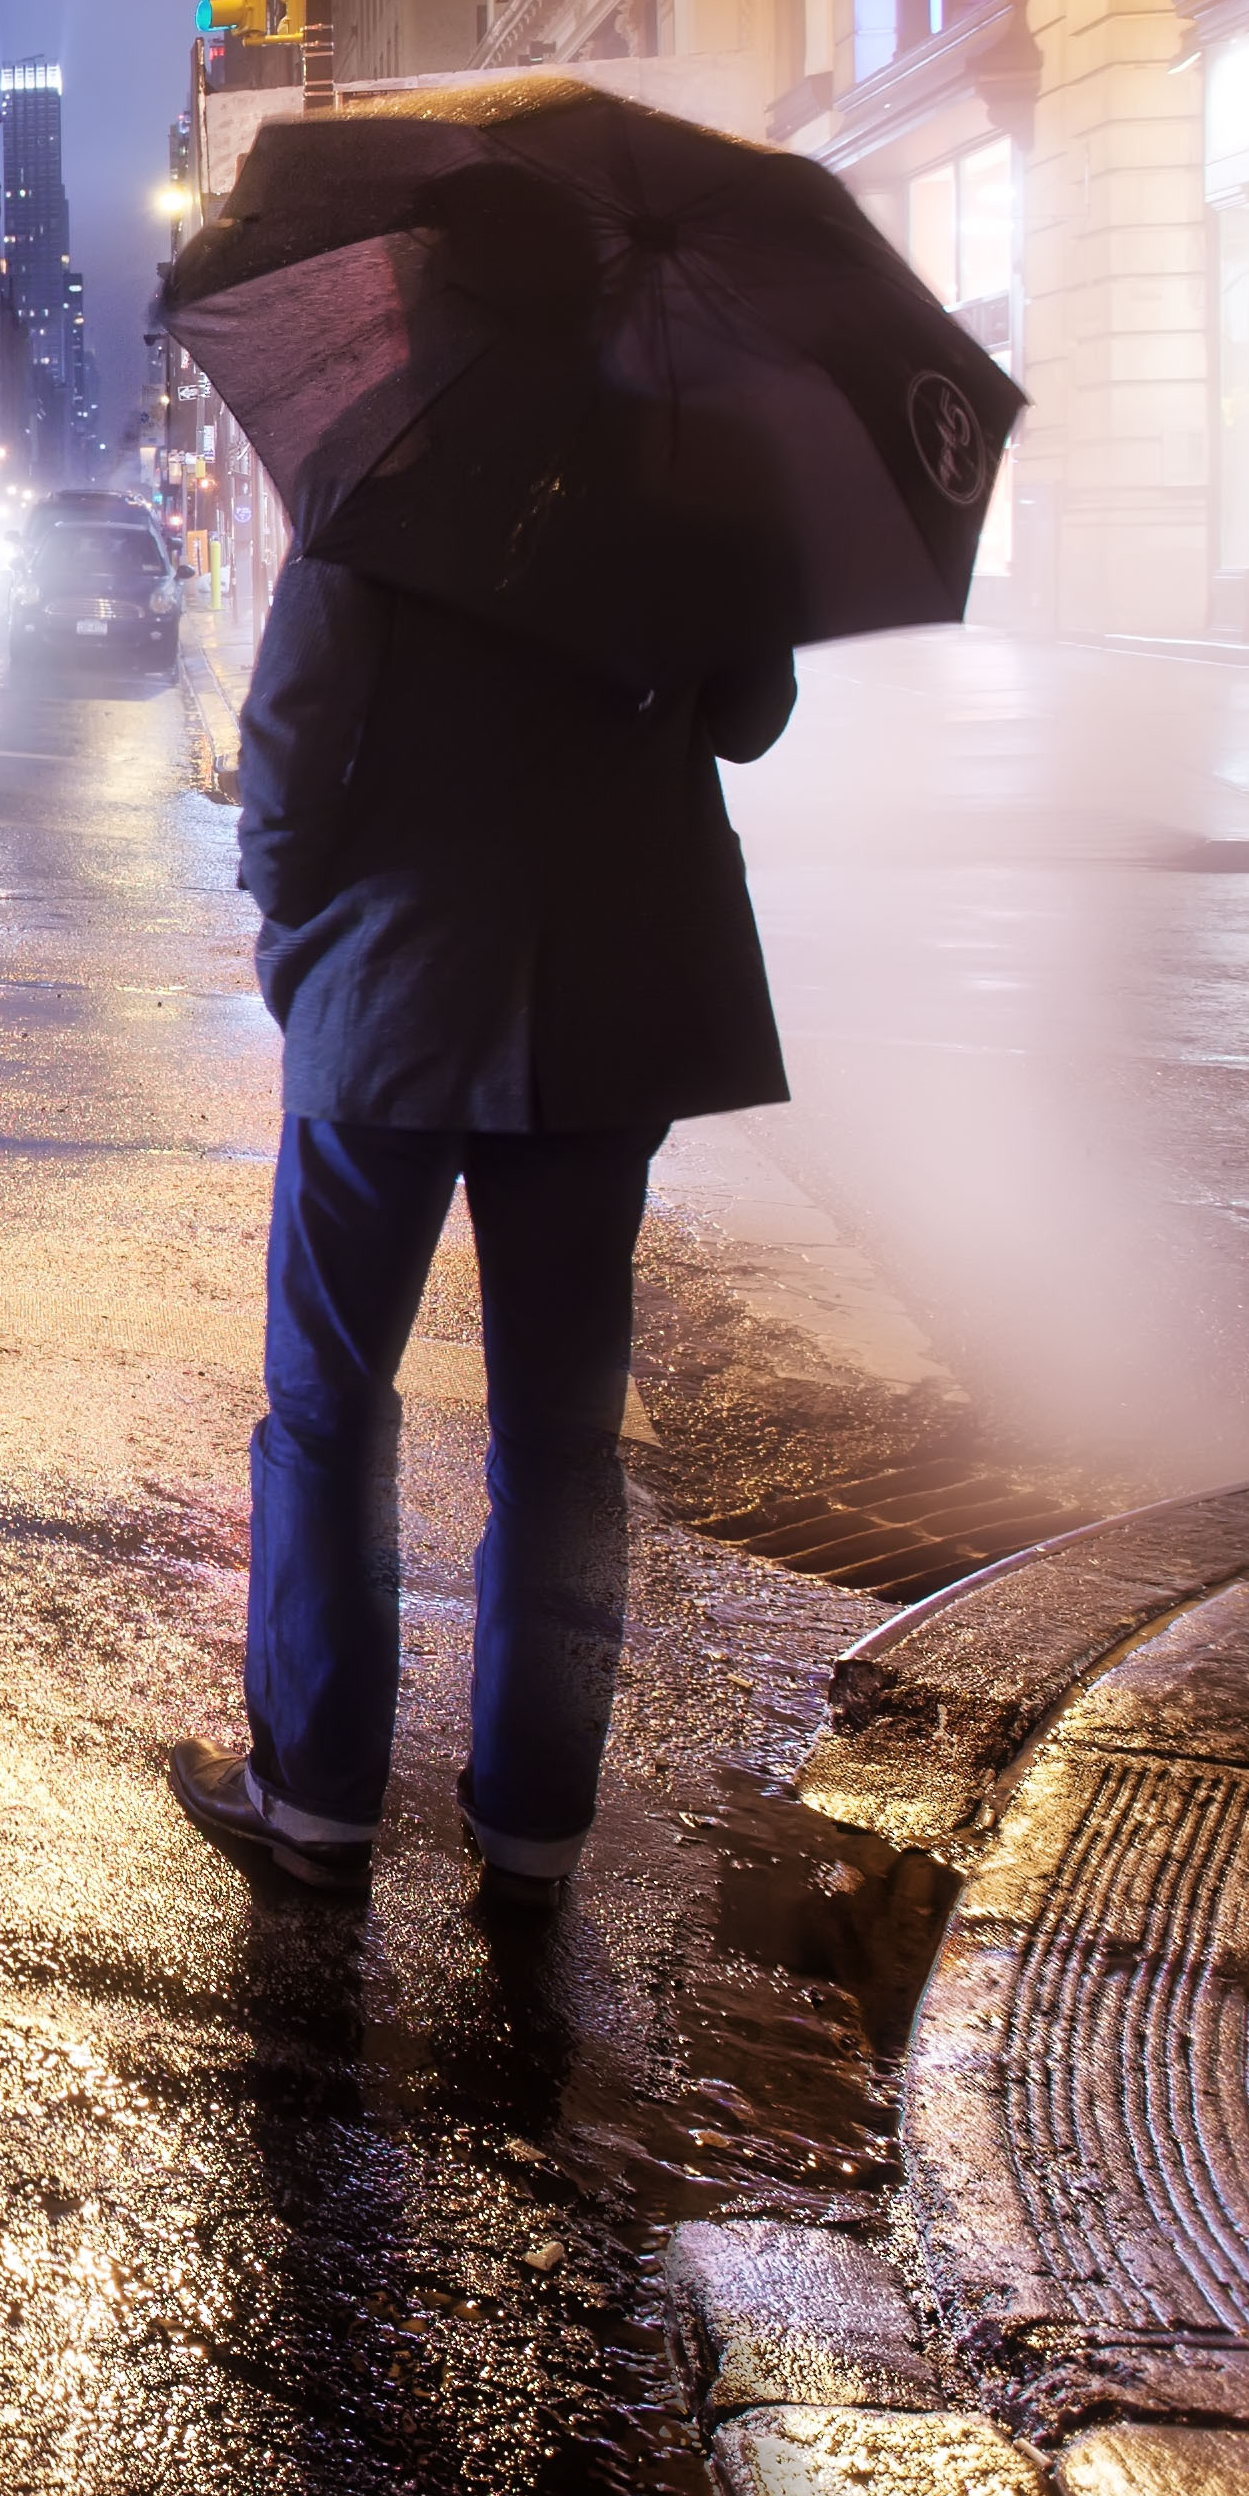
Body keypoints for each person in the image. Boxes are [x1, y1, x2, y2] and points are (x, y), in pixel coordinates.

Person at [165, 543, 795, 1911]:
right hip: (606, 991)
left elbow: (294, 734)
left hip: (393, 978)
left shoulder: (396, 467)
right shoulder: (693, 475)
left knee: (329, 1400)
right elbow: (749, 717)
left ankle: (317, 1798)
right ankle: (533, 1828)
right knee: (561, 1438)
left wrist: (290, 914)